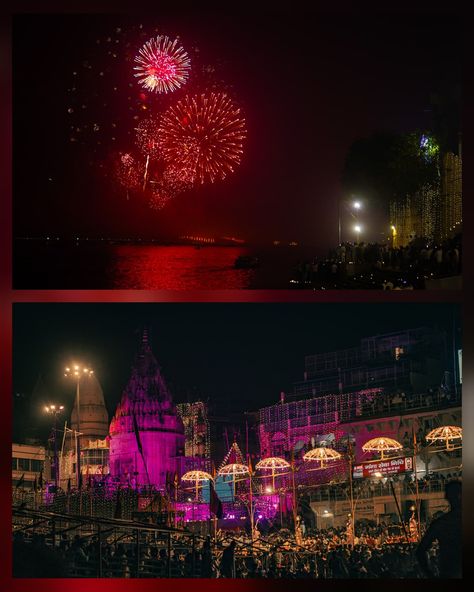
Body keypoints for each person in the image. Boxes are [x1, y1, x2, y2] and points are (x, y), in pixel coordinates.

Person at [416, 480, 462, 578]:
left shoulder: (440, 523)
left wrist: (429, 575)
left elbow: (420, 551)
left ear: (447, 497)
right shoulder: (441, 523)